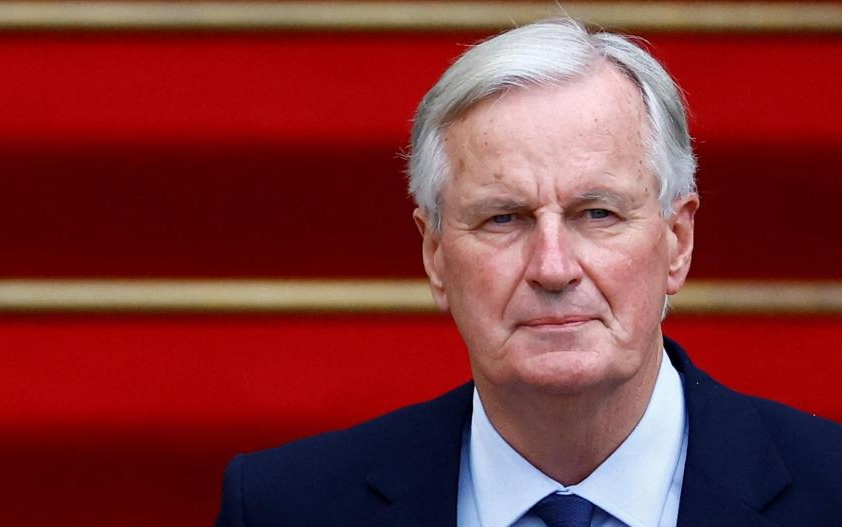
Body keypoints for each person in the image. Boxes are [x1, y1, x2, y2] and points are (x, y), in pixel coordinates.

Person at [215, 18, 842, 526]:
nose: (552, 267)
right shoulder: (286, 507)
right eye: (503, 219)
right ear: (434, 255)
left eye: (596, 213)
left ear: (677, 242)